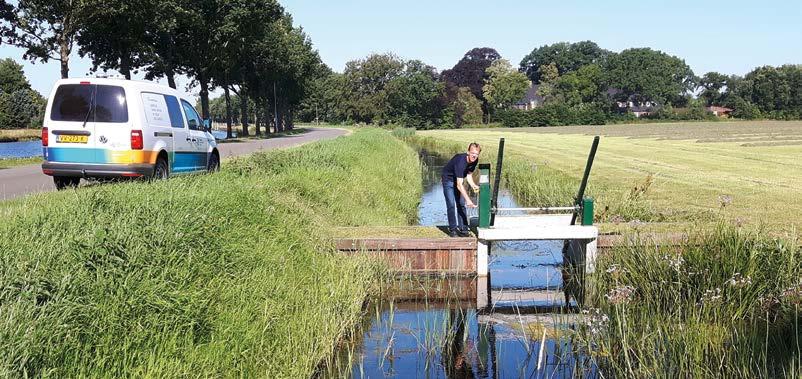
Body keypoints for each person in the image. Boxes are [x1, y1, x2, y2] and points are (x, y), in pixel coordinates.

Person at [441, 143, 481, 237]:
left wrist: (473, 185)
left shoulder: (475, 161)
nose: (474, 156)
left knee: (461, 204)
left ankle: (463, 229)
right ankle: (453, 229)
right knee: (451, 204)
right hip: (448, 180)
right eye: (472, 153)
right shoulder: (460, 162)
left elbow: (469, 175)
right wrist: (468, 200)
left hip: (458, 179)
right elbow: (459, 185)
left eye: (476, 154)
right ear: (468, 152)